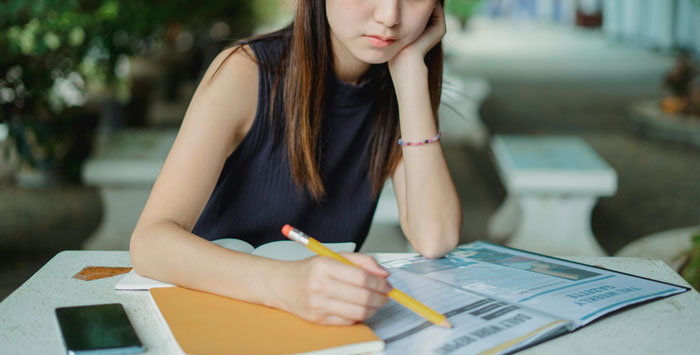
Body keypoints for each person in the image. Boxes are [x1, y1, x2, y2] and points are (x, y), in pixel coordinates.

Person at [130, 0, 462, 326]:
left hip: (315, 326)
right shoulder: (247, 70)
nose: (390, 15)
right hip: (211, 313)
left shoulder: (395, 88)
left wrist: (412, 80)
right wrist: (287, 284)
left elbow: (435, 237)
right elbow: (150, 242)